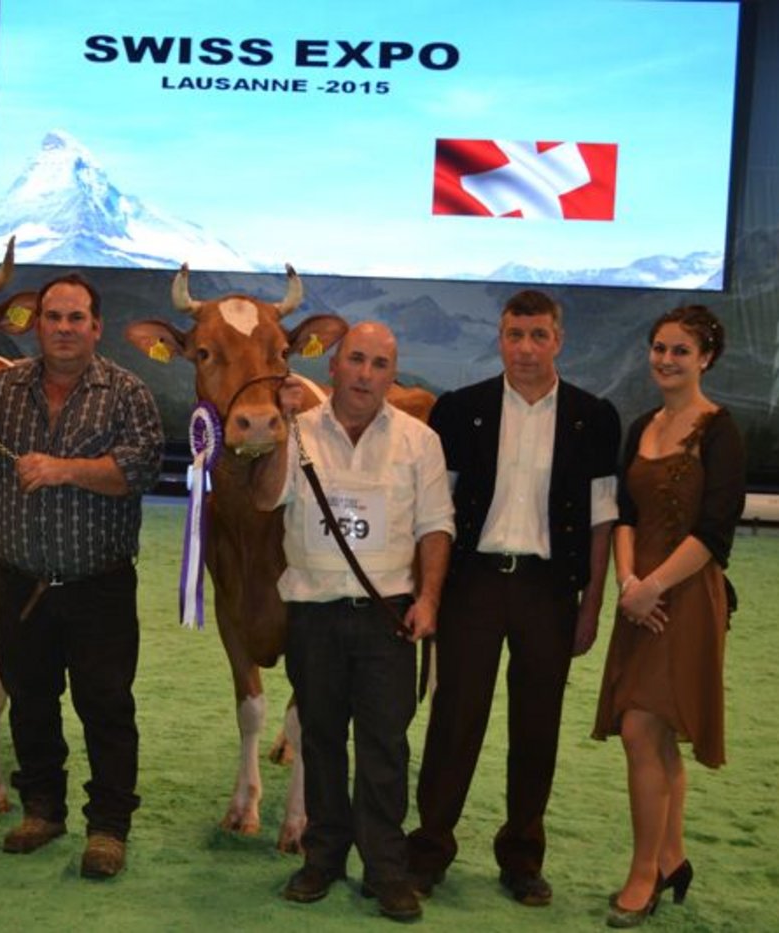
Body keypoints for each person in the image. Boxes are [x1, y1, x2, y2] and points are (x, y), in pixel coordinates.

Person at [0, 272, 163, 879]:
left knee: (106, 706)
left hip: (100, 586)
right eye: (53, 317)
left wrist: (64, 469)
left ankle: (109, 828)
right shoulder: (4, 391)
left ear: (96, 327)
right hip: (21, 582)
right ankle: (43, 810)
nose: (63, 328)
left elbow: (136, 472)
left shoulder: (127, 393)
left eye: (75, 318)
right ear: (38, 326)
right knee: (31, 702)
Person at [407, 289, 621, 906]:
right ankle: (429, 849)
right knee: (454, 721)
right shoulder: (459, 410)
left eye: (537, 336)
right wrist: (432, 591)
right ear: (499, 339)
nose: (524, 349)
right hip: (472, 586)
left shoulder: (593, 416)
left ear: (558, 340)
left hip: (549, 591)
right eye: (513, 335)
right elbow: (436, 514)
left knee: (537, 726)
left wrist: (591, 604)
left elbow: (604, 520)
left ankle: (522, 858)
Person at [248, 322, 454, 922]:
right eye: (355, 360)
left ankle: (386, 869)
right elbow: (264, 499)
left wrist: (431, 601)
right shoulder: (300, 432)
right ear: (332, 368)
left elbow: (436, 527)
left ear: (394, 374)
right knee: (320, 739)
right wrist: (282, 432)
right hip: (313, 613)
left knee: (385, 747)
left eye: (379, 364)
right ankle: (323, 858)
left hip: (387, 617)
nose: (365, 374)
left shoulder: (419, 442)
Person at [592, 306, 744, 927]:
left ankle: (643, 874)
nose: (666, 360)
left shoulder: (720, 430)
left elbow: (715, 532)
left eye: (680, 351)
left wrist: (653, 585)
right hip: (639, 597)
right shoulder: (642, 426)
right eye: (659, 348)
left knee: (640, 729)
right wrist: (629, 583)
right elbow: (625, 514)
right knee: (651, 731)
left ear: (705, 358)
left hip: (683, 596)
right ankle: (673, 856)